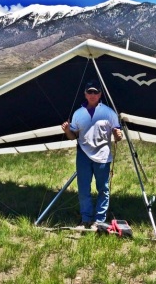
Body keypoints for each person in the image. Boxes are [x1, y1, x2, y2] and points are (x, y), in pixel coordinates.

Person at [61, 79, 123, 229]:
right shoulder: (78, 113)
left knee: (103, 188)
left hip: (102, 155)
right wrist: (67, 130)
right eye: (90, 92)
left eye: (96, 92)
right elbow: (73, 136)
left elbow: (117, 135)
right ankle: (86, 219)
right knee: (83, 188)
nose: (93, 94)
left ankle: (99, 220)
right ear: (85, 94)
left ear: (100, 94)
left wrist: (117, 134)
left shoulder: (109, 113)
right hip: (83, 154)